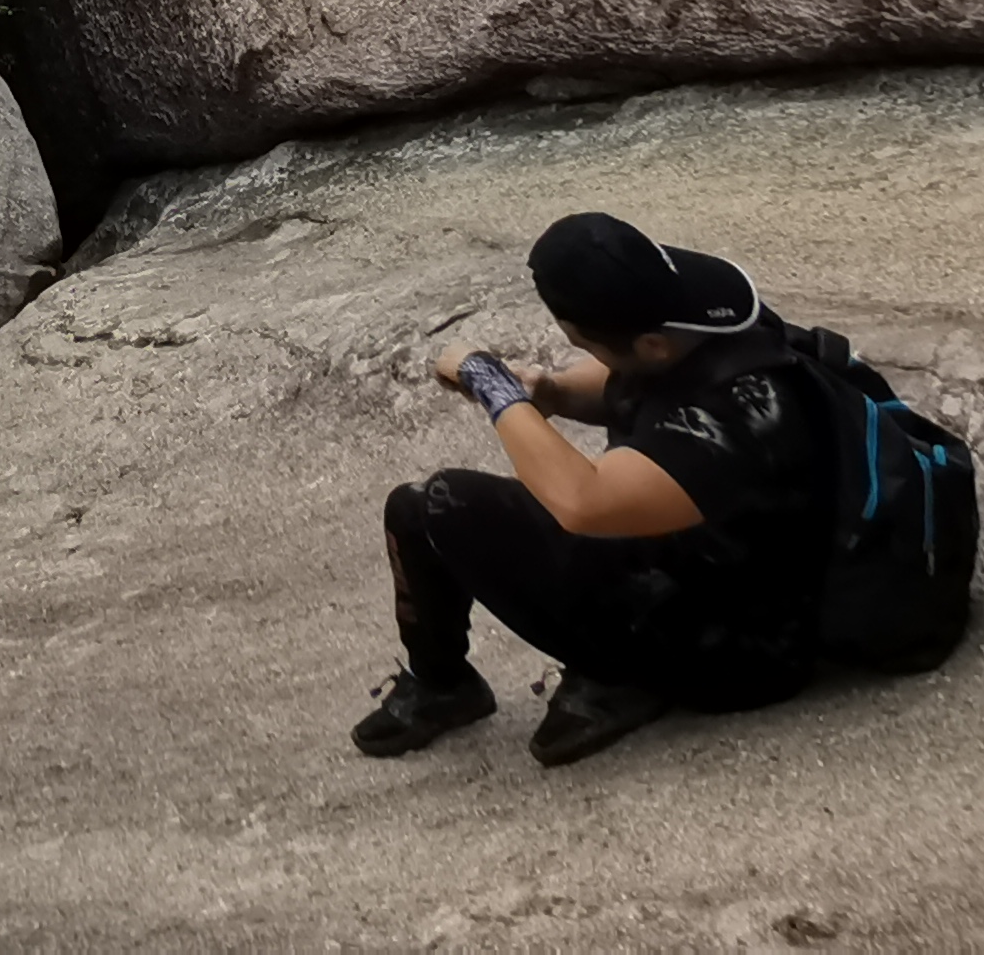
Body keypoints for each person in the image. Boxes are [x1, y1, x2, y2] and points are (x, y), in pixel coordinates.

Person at [355, 212, 832, 769]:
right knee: (411, 511)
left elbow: (584, 502)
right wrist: (551, 391)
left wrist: (492, 386)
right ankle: (443, 685)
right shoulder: (707, 323)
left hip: (747, 649)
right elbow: (629, 379)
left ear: (651, 343)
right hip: (706, 567)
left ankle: (623, 673)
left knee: (445, 502)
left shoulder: (737, 418)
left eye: (584, 342)